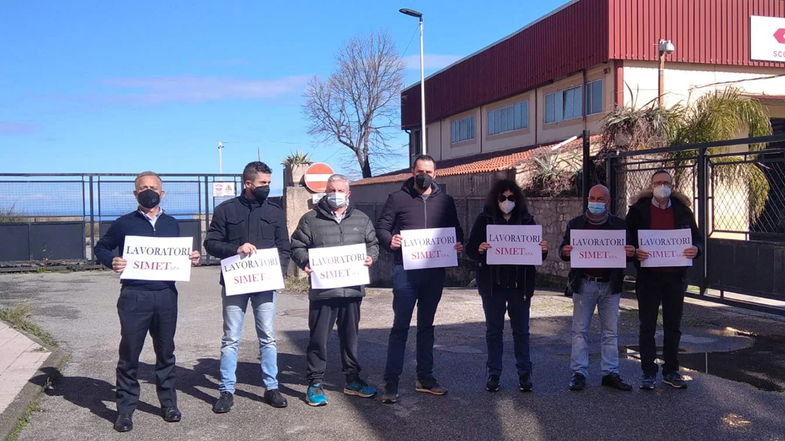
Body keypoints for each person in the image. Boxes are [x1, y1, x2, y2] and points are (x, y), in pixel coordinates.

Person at [95, 171, 201, 433]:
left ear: (162, 193)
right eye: (143, 188)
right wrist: (112, 261)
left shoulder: (172, 223)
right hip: (134, 296)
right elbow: (102, 247)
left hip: (166, 295)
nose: (148, 191)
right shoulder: (123, 223)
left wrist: (192, 258)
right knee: (130, 354)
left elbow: (177, 255)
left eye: (153, 187)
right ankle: (125, 411)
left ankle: (169, 405)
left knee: (166, 352)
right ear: (135, 194)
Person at [375, 154, 464, 404]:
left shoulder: (446, 201)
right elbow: (381, 227)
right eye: (419, 171)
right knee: (400, 327)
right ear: (412, 172)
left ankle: (425, 378)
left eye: (429, 171)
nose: (424, 175)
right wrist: (388, 240)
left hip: (434, 272)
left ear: (436, 174)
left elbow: (456, 229)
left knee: (427, 327)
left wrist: (458, 244)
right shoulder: (397, 198)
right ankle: (391, 383)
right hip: (405, 271)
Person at [204, 161, 291, 412]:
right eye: (263, 183)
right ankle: (226, 390)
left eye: (269, 183)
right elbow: (211, 242)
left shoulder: (274, 211)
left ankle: (272, 387)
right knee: (231, 338)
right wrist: (235, 249)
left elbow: (283, 246)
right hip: (235, 283)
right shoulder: (225, 210)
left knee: (268, 337)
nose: (267, 187)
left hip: (265, 284)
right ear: (248, 183)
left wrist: (278, 274)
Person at [290, 174, 380, 406]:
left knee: (350, 338)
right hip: (323, 291)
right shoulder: (310, 219)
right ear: (325, 191)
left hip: (352, 290)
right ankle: (315, 383)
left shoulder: (361, 219)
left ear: (348, 194)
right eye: (332, 189)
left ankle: (352, 380)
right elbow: (297, 245)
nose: (336, 194)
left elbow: (373, 243)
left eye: (340, 190)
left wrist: (371, 257)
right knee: (318, 339)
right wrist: (304, 262)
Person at [465, 179, 548, 393]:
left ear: (517, 199)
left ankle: (525, 375)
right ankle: (494, 374)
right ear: (496, 198)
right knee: (494, 332)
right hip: (493, 286)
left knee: (521, 332)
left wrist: (543, 249)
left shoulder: (527, 220)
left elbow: (537, 254)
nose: (507, 201)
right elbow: (470, 250)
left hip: (520, 286)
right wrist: (480, 249)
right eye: (503, 198)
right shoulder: (484, 219)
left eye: (511, 197)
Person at [626, 169, 702, 390]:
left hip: (675, 278)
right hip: (648, 277)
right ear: (651, 186)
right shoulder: (637, 211)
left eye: (665, 183)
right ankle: (648, 372)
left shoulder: (683, 211)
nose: (662, 186)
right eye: (658, 183)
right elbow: (628, 240)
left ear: (672, 185)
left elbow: (697, 240)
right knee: (647, 325)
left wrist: (696, 250)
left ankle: (671, 371)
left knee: (673, 325)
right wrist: (634, 252)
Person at [559, 184, 635, 392]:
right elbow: (563, 250)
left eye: (600, 199)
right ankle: (578, 373)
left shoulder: (619, 225)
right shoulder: (576, 224)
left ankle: (610, 373)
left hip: (610, 285)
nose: (595, 202)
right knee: (579, 331)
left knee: (610, 332)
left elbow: (630, 251)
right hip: (584, 284)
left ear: (608, 202)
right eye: (592, 197)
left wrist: (631, 251)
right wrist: (565, 251)